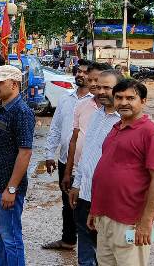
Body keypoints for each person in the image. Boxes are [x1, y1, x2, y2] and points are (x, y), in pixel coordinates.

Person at [88, 80, 154, 266]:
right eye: (119, 98)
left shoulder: (151, 134)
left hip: (131, 221)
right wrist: (95, 210)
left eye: (131, 98)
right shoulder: (116, 127)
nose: (124, 103)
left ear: (143, 101)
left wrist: (146, 221)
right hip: (105, 217)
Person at [0, 65, 35, 266]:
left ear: (14, 84)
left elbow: (25, 152)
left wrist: (11, 188)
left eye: (0, 82)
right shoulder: (1, 108)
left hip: (7, 188)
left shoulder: (21, 112)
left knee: (10, 237)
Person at [68, 70, 124, 266]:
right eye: (98, 87)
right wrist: (77, 183)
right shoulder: (96, 114)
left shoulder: (123, 121)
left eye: (106, 87)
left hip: (106, 199)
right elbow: (87, 154)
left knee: (105, 251)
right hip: (85, 193)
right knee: (85, 243)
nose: (100, 91)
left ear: (118, 90)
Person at [42, 59, 91, 251]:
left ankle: (92, 248)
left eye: (85, 72)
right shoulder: (65, 98)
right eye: (78, 71)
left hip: (87, 163)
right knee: (67, 204)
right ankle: (69, 240)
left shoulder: (97, 103)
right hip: (65, 161)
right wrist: (49, 154)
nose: (80, 75)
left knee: (87, 203)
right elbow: (55, 128)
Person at [63, 62, 113, 192]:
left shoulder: (117, 113)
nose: (92, 84)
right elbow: (74, 140)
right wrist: (68, 172)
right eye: (90, 80)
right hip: (79, 172)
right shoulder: (81, 105)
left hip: (104, 177)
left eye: (96, 80)